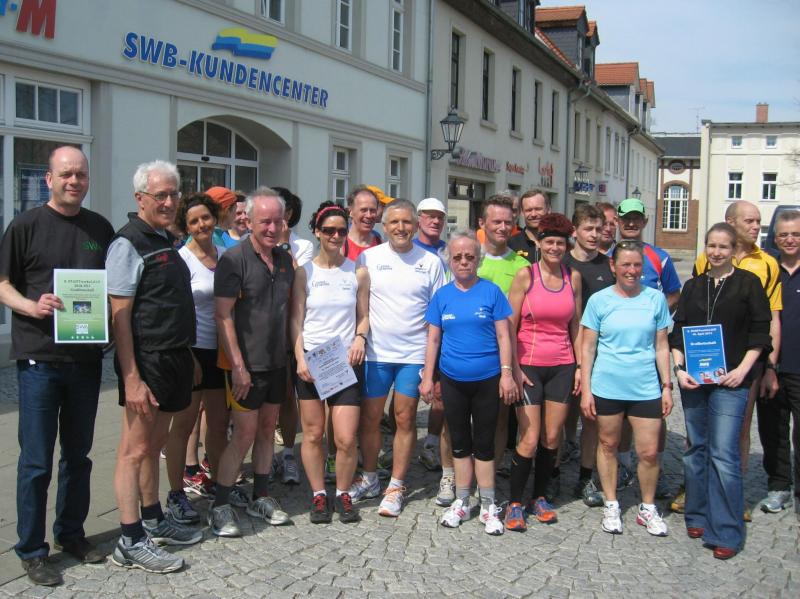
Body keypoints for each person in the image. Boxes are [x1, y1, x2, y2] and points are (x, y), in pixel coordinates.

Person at [0, 147, 113, 586]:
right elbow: (2, 283)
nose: (74, 181)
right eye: (65, 174)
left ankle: (72, 534)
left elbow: (112, 287)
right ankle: (32, 549)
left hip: (85, 361)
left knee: (78, 456)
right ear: (49, 179)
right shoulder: (25, 225)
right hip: (39, 361)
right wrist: (31, 305)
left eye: (80, 174)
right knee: (36, 461)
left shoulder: (99, 228)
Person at [107, 160, 202, 574]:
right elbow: (120, 317)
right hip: (147, 361)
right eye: (159, 195)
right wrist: (132, 378)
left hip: (174, 358)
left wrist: (188, 356)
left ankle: (152, 518)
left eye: (173, 194)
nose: (168, 202)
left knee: (154, 445)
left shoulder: (164, 237)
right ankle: (129, 540)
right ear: (140, 198)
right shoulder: (127, 243)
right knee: (133, 451)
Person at [670, 223, 772, 559]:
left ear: (734, 250)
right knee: (695, 449)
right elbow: (679, 331)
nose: (716, 252)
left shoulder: (748, 283)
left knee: (724, 453)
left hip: (732, 381)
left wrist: (741, 371)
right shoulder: (694, 285)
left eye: (723, 247)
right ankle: (697, 515)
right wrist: (679, 370)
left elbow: (761, 334)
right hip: (695, 382)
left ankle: (726, 529)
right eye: (711, 246)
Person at [348, 199, 444, 517]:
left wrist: (431, 365)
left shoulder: (431, 262)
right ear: (384, 226)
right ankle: (370, 477)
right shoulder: (369, 257)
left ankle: (397, 485)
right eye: (394, 222)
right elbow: (360, 306)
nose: (401, 228)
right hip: (376, 353)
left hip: (413, 355)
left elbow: (437, 317)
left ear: (415, 226)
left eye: (406, 222)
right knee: (370, 419)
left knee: (404, 418)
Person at [207, 188, 294, 537]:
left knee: (267, 429)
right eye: (265, 221)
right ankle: (220, 505)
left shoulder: (285, 260)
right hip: (246, 367)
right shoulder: (233, 259)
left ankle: (261, 496)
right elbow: (222, 316)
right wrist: (239, 367)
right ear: (250, 221)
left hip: (277, 363)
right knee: (243, 434)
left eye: (277, 221)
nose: (272, 228)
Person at [420, 230, 516, 535]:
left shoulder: (492, 292)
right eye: (458, 257)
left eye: (470, 257)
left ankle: (488, 503)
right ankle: (462, 499)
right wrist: (427, 376)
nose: (464, 262)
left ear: (479, 259)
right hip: (453, 380)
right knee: (460, 442)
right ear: (449, 260)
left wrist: (507, 374)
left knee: (484, 444)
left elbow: (504, 336)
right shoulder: (442, 296)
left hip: (487, 379)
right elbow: (433, 340)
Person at [690, 200, 781, 520]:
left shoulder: (766, 263)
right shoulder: (704, 259)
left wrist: (769, 365)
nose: (756, 227)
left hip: (746, 363)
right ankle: (695, 490)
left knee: (739, 429)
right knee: (699, 431)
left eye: (758, 221)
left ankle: (733, 494)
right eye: (750, 221)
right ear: (731, 222)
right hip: (706, 358)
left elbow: (771, 319)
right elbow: (696, 308)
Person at [580, 241, 673, 537]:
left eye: (637, 265)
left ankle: (647, 507)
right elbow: (588, 347)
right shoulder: (599, 301)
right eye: (626, 265)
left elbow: (661, 346)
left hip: (645, 386)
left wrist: (667, 386)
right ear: (613, 266)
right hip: (607, 385)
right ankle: (611, 503)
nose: (632, 271)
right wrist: (586, 390)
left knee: (649, 451)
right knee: (607, 445)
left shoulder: (655, 299)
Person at [290, 201, 370, 523]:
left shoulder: (357, 272)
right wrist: (299, 357)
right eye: (328, 230)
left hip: (345, 362)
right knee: (312, 434)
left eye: (341, 230)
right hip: (311, 360)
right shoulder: (303, 272)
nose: (335, 236)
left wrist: (360, 338)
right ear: (317, 232)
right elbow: (296, 320)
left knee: (346, 438)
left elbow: (363, 316)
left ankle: (343, 493)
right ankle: (319, 495)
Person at [505, 213, 582, 531]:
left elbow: (576, 326)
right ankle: (514, 503)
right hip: (529, 366)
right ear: (539, 243)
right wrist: (512, 367)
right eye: (549, 242)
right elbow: (509, 325)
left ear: (567, 246)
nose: (554, 248)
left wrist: (580, 366)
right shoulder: (526, 276)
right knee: (529, 437)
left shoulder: (572, 278)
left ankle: (539, 497)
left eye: (560, 243)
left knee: (552, 438)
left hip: (562, 366)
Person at [161, 193, 231, 524]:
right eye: (194, 221)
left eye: (206, 218)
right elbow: (173, 312)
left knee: (217, 424)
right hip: (192, 350)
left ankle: (218, 484)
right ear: (185, 227)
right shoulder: (181, 260)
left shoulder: (226, 255)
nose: (202, 224)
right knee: (184, 425)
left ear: (214, 218)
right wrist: (188, 355)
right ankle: (176, 493)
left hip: (221, 352)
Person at [615, 198, 680, 499]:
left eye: (636, 219)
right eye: (625, 218)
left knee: (653, 411)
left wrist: (653, 319)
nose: (631, 223)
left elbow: (674, 294)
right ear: (617, 221)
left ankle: (658, 467)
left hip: (649, 347)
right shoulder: (610, 255)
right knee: (619, 408)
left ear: (644, 222)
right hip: (616, 346)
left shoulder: (659, 257)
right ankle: (622, 463)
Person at [562, 204, 614, 507]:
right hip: (563, 350)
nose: (595, 234)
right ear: (575, 231)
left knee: (591, 418)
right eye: (588, 229)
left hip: (599, 353)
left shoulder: (609, 267)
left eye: (599, 229)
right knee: (558, 416)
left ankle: (585, 476)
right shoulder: (561, 262)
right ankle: (553, 470)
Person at [476, 194, 530, 477]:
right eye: (496, 221)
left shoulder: (521, 266)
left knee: (498, 419)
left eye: (508, 222)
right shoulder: (468, 258)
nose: (502, 227)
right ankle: (455, 474)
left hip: (501, 353)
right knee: (456, 418)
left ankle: (490, 476)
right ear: (482, 223)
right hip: (465, 350)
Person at [758, 210, 800, 514]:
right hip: (771, 366)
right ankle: (779, 485)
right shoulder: (768, 270)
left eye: (796, 234)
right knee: (772, 431)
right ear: (775, 238)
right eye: (784, 234)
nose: (790, 240)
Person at [412, 197, 453, 504]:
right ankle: (400, 444)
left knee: (439, 393)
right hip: (410, 336)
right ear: (419, 219)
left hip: (440, 333)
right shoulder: (410, 248)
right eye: (429, 216)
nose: (435, 221)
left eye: (439, 217)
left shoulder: (448, 251)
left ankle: (430, 443)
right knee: (406, 398)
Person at [272, 186, 313, 485]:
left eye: (281, 209)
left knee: (289, 397)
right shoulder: (254, 241)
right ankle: (263, 457)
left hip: (294, 332)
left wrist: (285, 244)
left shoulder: (303, 246)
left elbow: (298, 279)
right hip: (264, 333)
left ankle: (288, 453)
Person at [508, 189, 551, 263]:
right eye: (529, 210)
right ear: (522, 212)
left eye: (538, 209)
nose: (533, 214)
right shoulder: (510, 245)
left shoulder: (559, 244)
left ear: (548, 210)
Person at [343, 186, 381, 261]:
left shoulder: (379, 243)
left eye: (373, 210)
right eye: (363, 210)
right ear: (350, 212)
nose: (369, 215)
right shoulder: (340, 243)